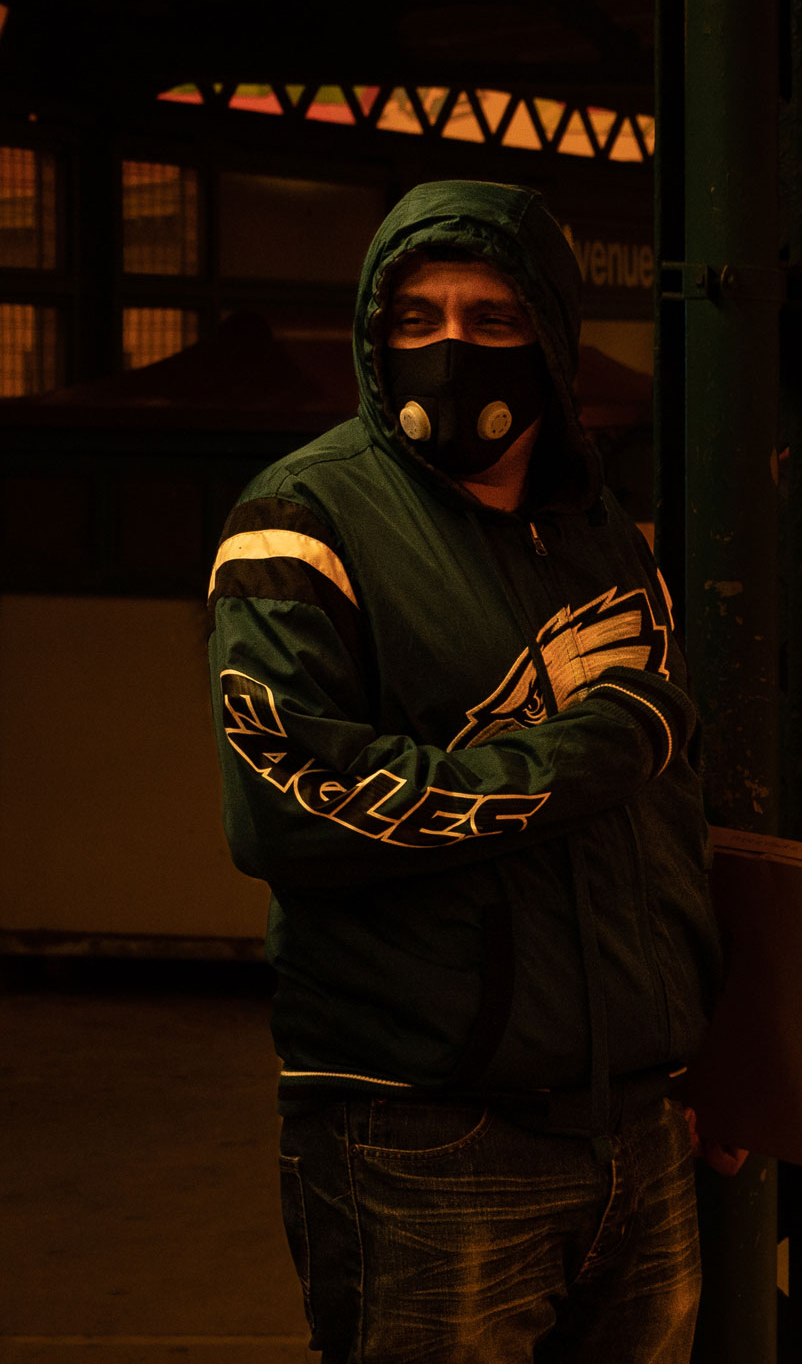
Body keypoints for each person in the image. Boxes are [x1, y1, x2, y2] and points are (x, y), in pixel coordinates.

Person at [207, 180, 723, 1362]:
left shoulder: (596, 527)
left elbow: (667, 819)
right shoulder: (302, 522)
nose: (451, 345)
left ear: (551, 332)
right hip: (425, 1138)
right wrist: (595, 745)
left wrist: (696, 1050)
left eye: (493, 319)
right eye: (416, 316)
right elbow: (290, 810)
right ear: (372, 333)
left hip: (636, 1127)